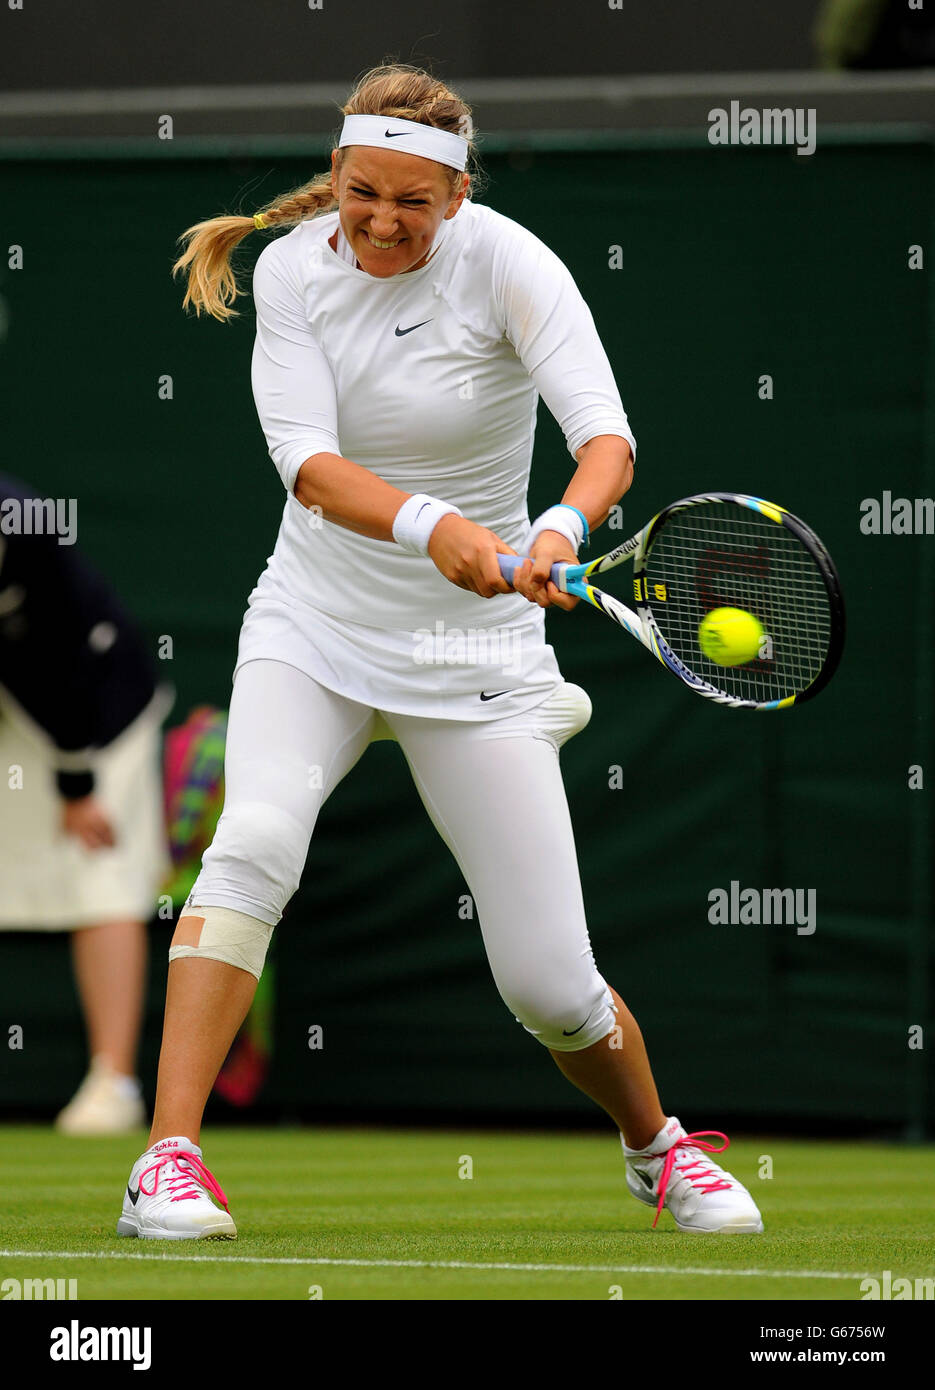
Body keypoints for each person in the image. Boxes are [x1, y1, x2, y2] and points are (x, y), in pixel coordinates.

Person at [116, 64, 763, 1240]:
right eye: (362, 191)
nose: (379, 220)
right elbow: (306, 464)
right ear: (338, 173)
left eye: (412, 201)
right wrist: (436, 526)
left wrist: (557, 526)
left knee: (551, 987)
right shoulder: (291, 272)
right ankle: (165, 1157)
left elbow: (604, 437)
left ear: (456, 196)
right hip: (313, 624)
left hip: (477, 649)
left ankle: (654, 1147)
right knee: (252, 838)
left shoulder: (513, 264)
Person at [0, 473, 171, 1133]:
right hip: (15, 708)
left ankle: (114, 1081)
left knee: (99, 876)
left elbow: (63, 653)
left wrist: (77, 787)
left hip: (97, 713)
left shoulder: (30, 526)